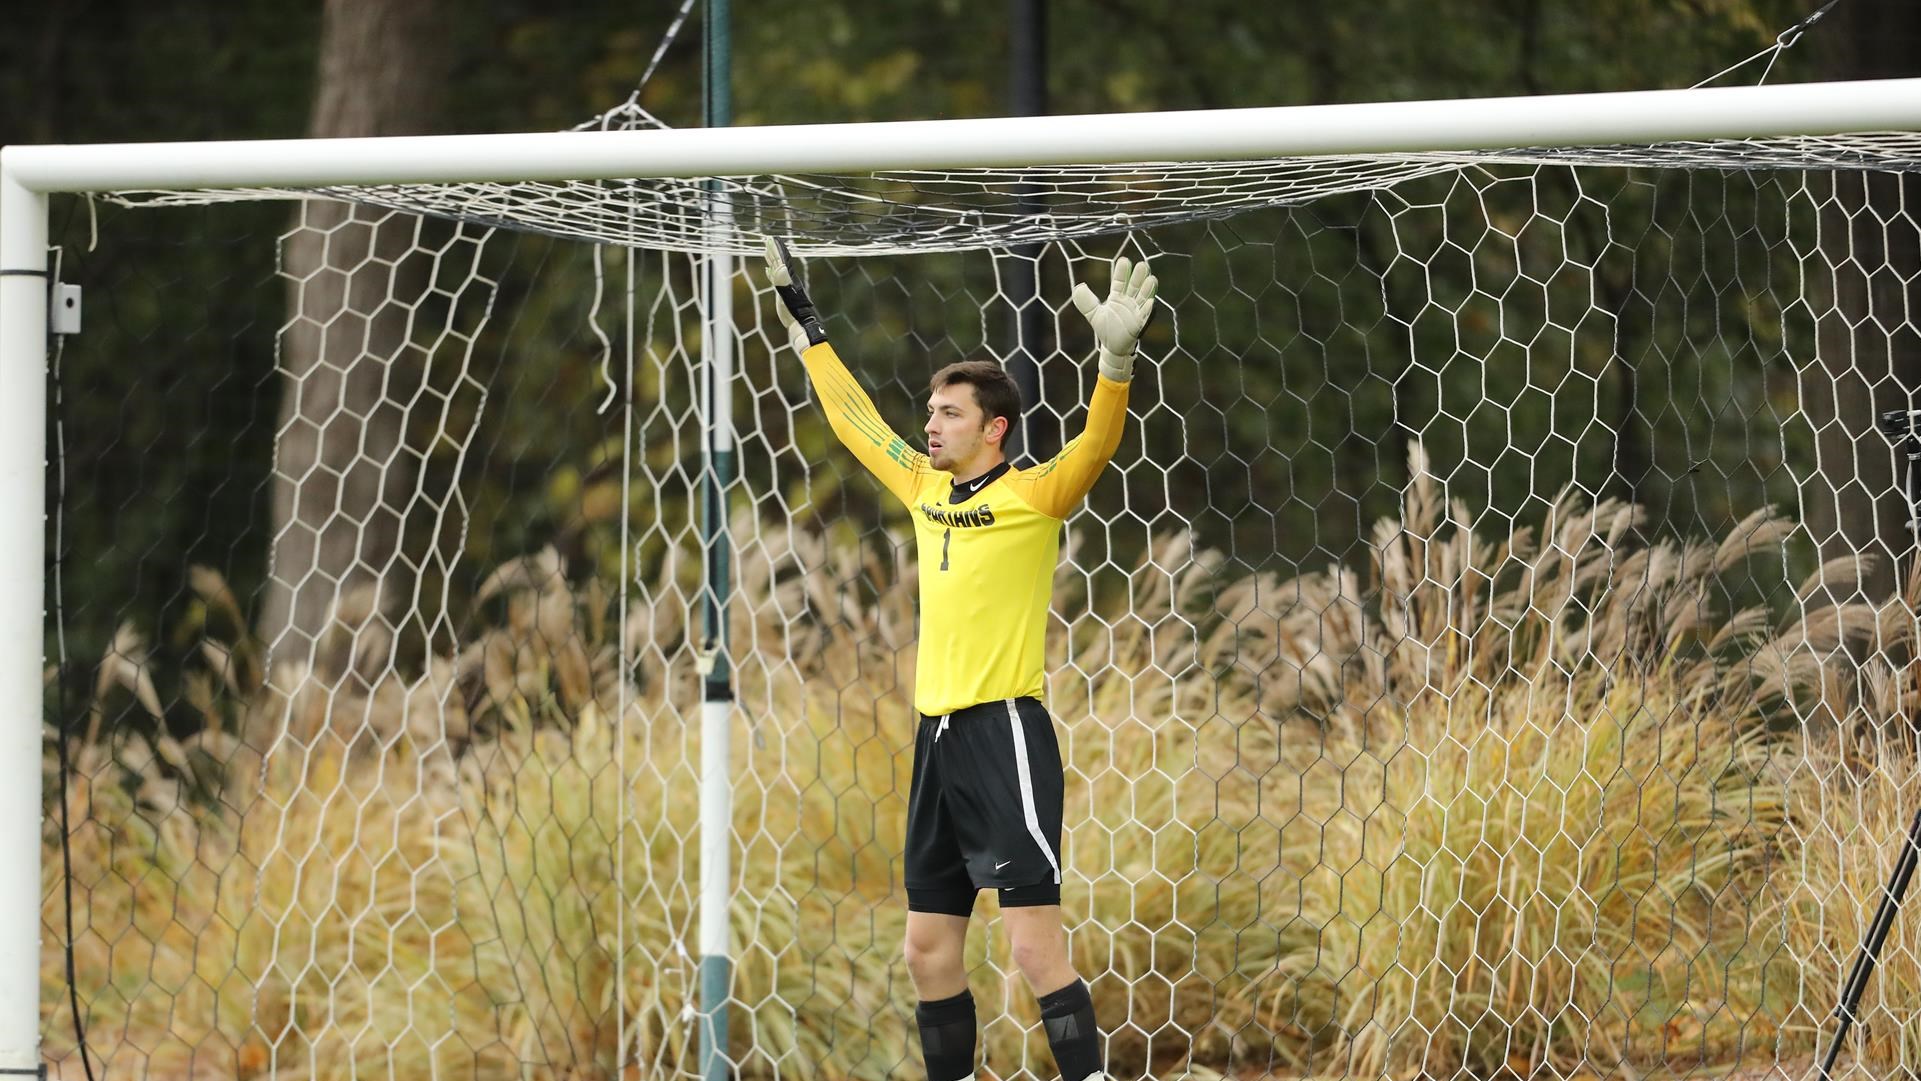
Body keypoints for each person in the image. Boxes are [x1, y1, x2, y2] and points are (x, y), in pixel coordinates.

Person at [761, 237, 1156, 1081]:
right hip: (935, 743)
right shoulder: (922, 486)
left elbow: (1093, 446)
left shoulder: (1032, 493)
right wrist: (807, 324)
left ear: (993, 428)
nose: (928, 425)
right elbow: (853, 419)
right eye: (930, 411)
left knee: (1031, 945)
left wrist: (1113, 364)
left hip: (1003, 734)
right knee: (926, 947)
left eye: (947, 414)